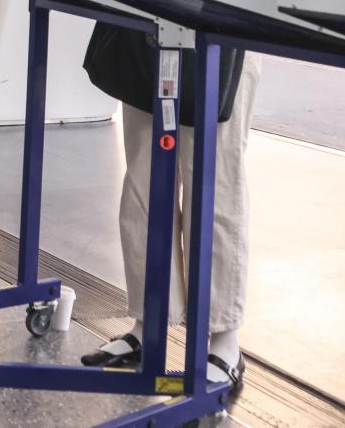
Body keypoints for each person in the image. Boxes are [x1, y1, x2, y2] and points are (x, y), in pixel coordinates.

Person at [77, 25, 260, 399]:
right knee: (144, 177)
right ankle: (150, 321)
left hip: (226, 15)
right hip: (154, 13)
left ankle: (224, 337)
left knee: (213, 182)